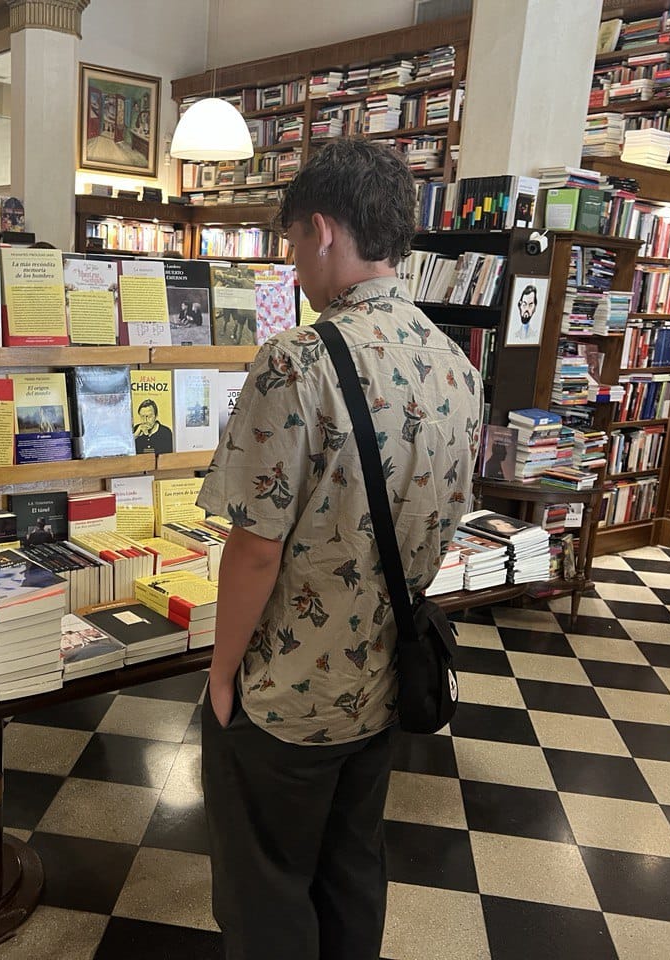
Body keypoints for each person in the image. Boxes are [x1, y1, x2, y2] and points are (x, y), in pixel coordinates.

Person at [196, 138, 482, 960]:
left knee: (266, 888)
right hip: (385, 678)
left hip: (287, 693)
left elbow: (253, 547)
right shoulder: (455, 363)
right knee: (353, 867)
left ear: (323, 230)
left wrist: (222, 676)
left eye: (290, 243)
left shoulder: (299, 360)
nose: (293, 266)